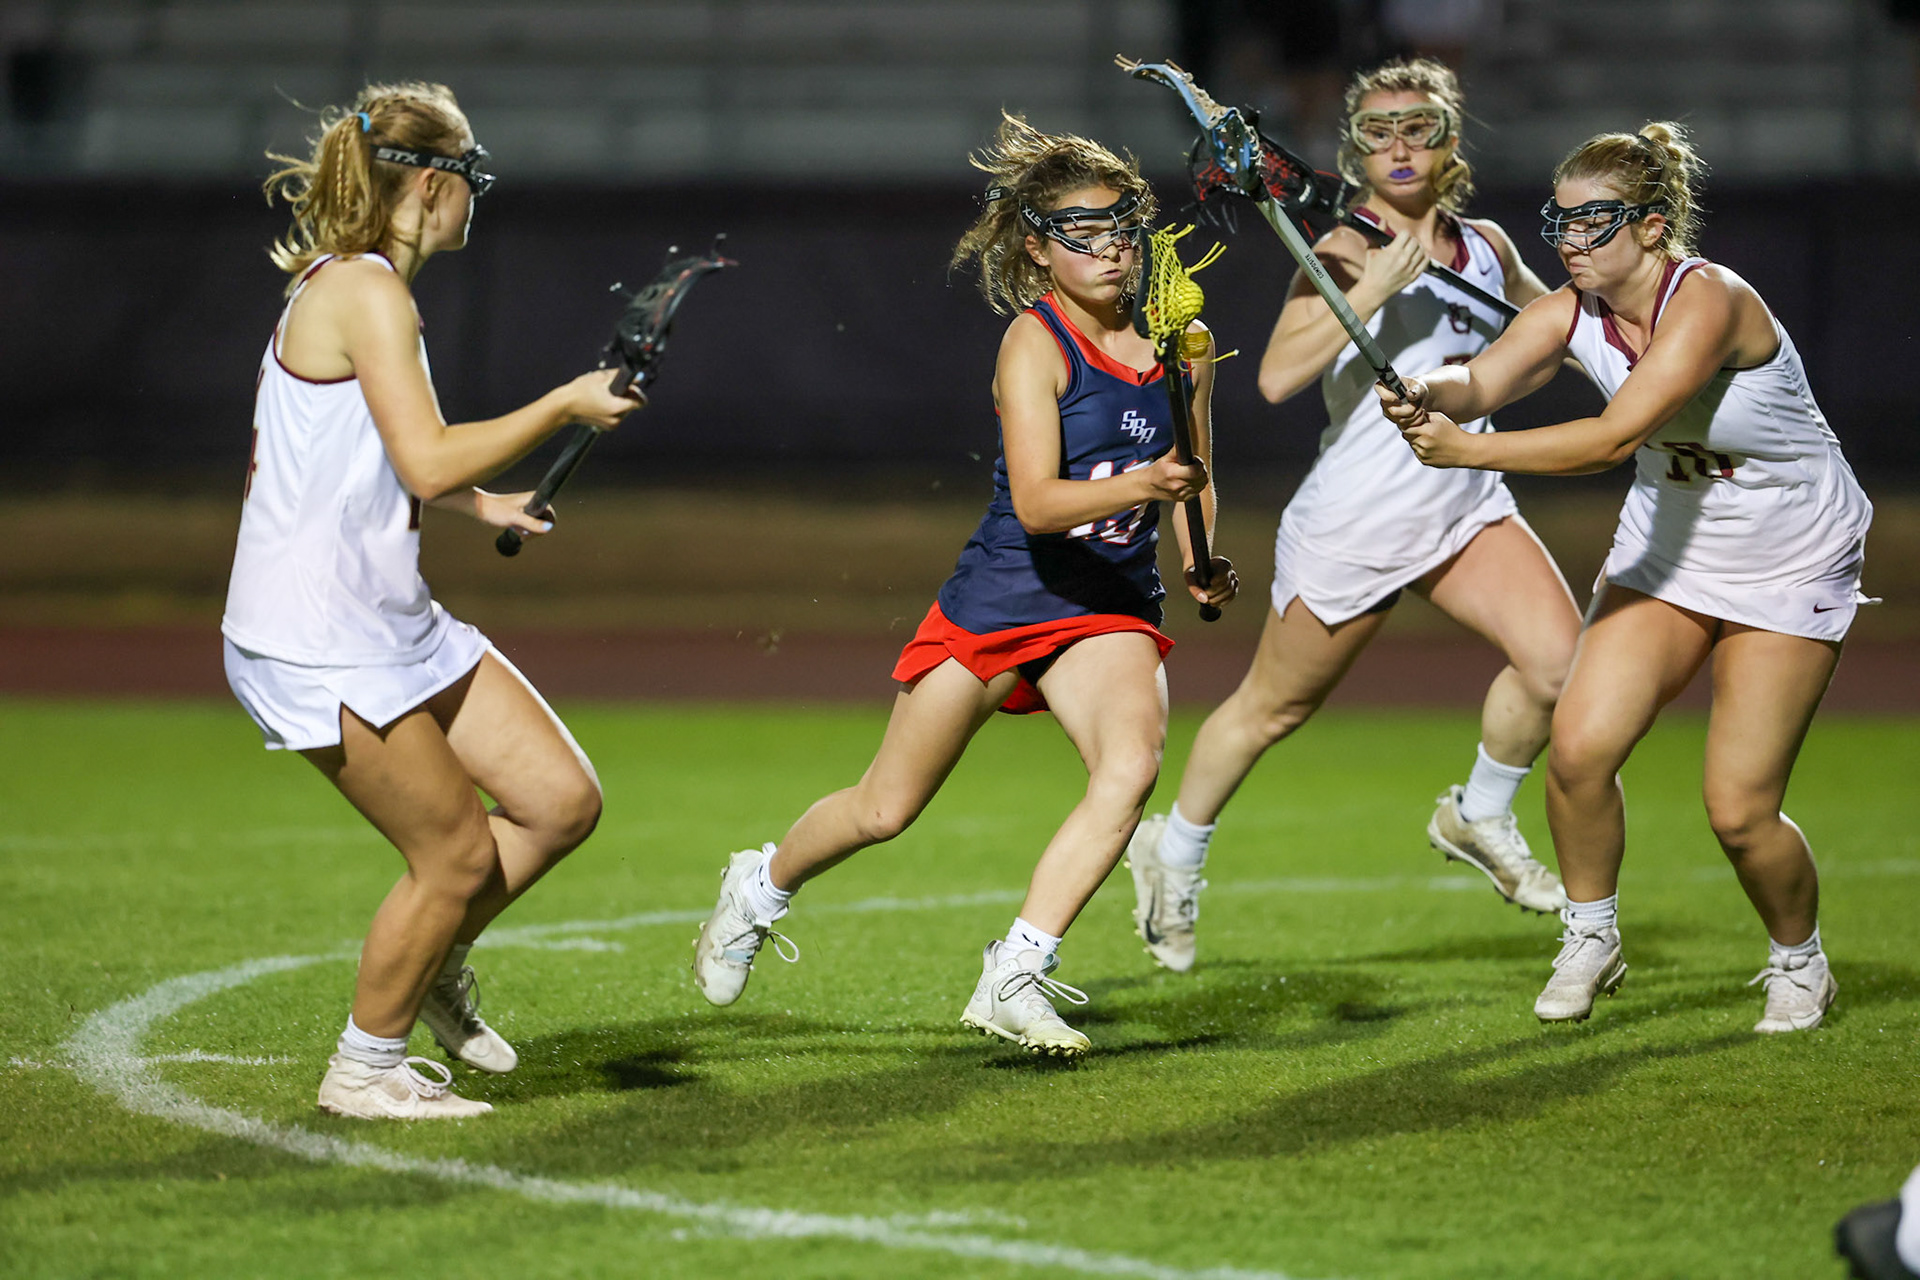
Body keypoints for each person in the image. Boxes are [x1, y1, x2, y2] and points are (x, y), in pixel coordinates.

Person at [690, 113, 1237, 1060]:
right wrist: (1151, 487)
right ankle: (760, 885)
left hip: (1108, 602)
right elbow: (1035, 501)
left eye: (1120, 228)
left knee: (1130, 768)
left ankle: (1016, 970)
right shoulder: (1035, 344)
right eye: (1081, 233)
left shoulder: (1181, 340)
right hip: (1007, 593)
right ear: (1037, 246)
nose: (1109, 249)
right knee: (884, 809)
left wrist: (1197, 557)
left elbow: (1200, 472)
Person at [1383, 121, 1873, 1030]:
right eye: (1558, 223)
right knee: (1576, 753)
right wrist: (1429, 393)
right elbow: (1481, 382)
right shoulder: (1571, 309)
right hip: (1670, 549)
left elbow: (1614, 437)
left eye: (1592, 222)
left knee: (1738, 809)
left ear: (1652, 227)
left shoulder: (1711, 301)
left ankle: (1799, 960)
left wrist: (1463, 454)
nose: (1568, 240)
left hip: (1791, 552)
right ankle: (1591, 934)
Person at [224, 83, 644, 1118]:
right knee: (453, 852)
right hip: (315, 633)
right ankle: (364, 1067)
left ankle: (436, 949)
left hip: (382, 614)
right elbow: (416, 456)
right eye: (471, 179)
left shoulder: (366, 287)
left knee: (558, 799)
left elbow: (382, 453)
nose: (474, 199)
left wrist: (477, 497)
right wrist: (560, 403)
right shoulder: (371, 292)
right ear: (428, 182)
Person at [1126, 58, 1580, 974]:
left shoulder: (1486, 244)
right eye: (1377, 131)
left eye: (1418, 126)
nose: (1399, 146)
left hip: (1462, 501)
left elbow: (1563, 327)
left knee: (1563, 665)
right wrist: (1373, 287)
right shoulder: (1339, 247)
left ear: (1450, 138)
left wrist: (1654, 353)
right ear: (1355, 149)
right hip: (1358, 520)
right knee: (1269, 710)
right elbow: (1276, 375)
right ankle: (1169, 854)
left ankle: (1478, 812)